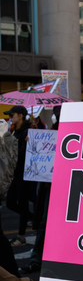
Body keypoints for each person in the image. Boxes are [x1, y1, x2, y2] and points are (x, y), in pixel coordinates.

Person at [4, 105, 33, 246]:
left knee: (22, 203)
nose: (10, 118)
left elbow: (22, 154)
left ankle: (21, 236)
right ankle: (35, 219)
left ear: (21, 115)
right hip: (16, 172)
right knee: (10, 202)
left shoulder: (27, 131)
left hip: (24, 172)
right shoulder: (16, 130)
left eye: (12, 115)